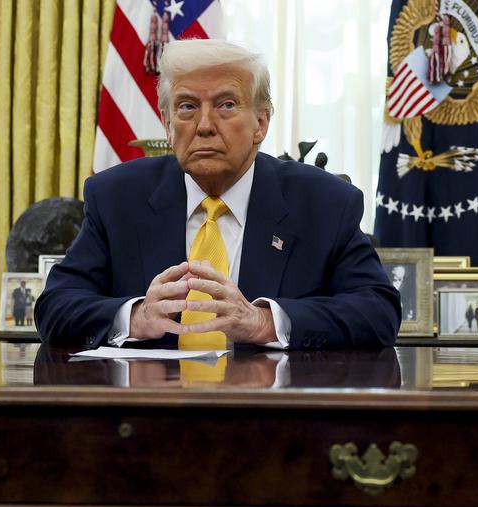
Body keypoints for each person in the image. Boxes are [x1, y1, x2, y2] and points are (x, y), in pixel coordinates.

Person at [34, 39, 400, 350]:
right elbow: (56, 307)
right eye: (187, 107)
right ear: (167, 123)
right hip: (147, 414)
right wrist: (136, 316)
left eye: (226, 105)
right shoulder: (117, 197)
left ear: (260, 123)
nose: (204, 126)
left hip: (273, 415)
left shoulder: (323, 202)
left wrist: (262, 322)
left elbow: (378, 312)